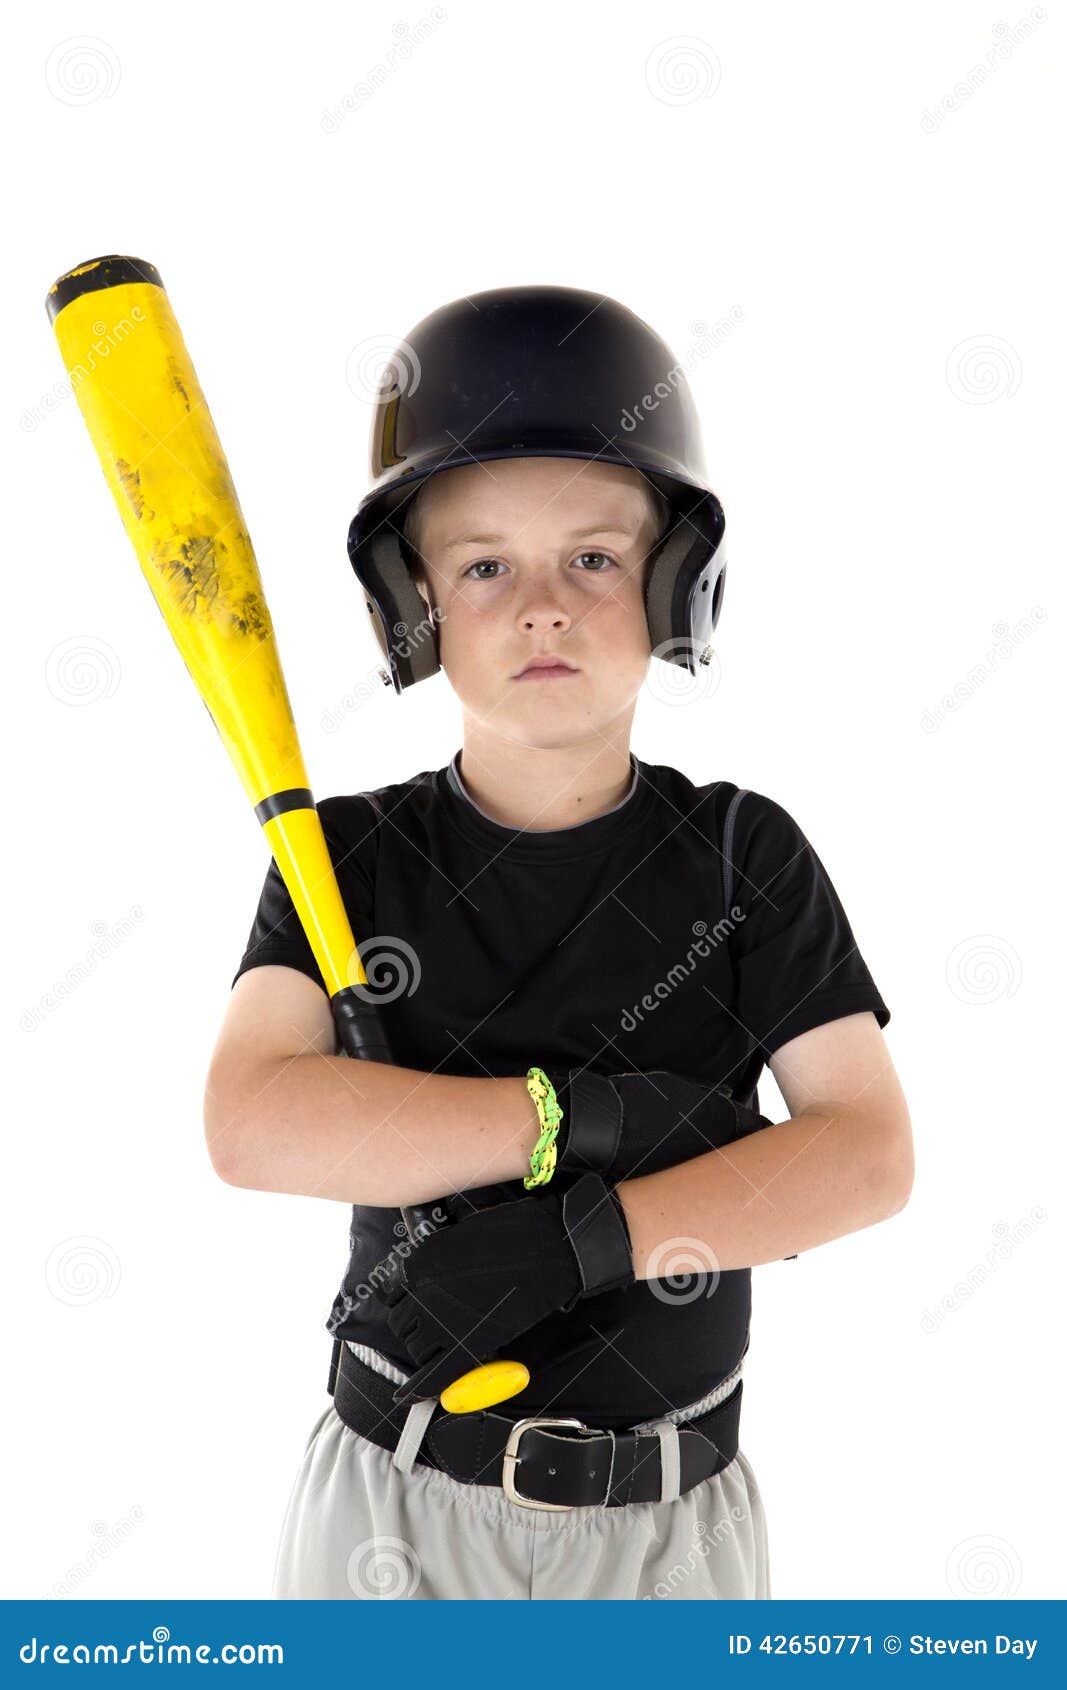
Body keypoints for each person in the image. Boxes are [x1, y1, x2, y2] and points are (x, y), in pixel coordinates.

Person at [204, 286, 913, 1600]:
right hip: (394, 1507)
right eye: (483, 565)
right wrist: (580, 1120)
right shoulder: (344, 855)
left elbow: (864, 1156)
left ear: (671, 582)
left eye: (593, 556)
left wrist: (592, 1238)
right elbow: (256, 1122)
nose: (542, 605)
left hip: (669, 1524)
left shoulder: (741, 855)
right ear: (412, 603)